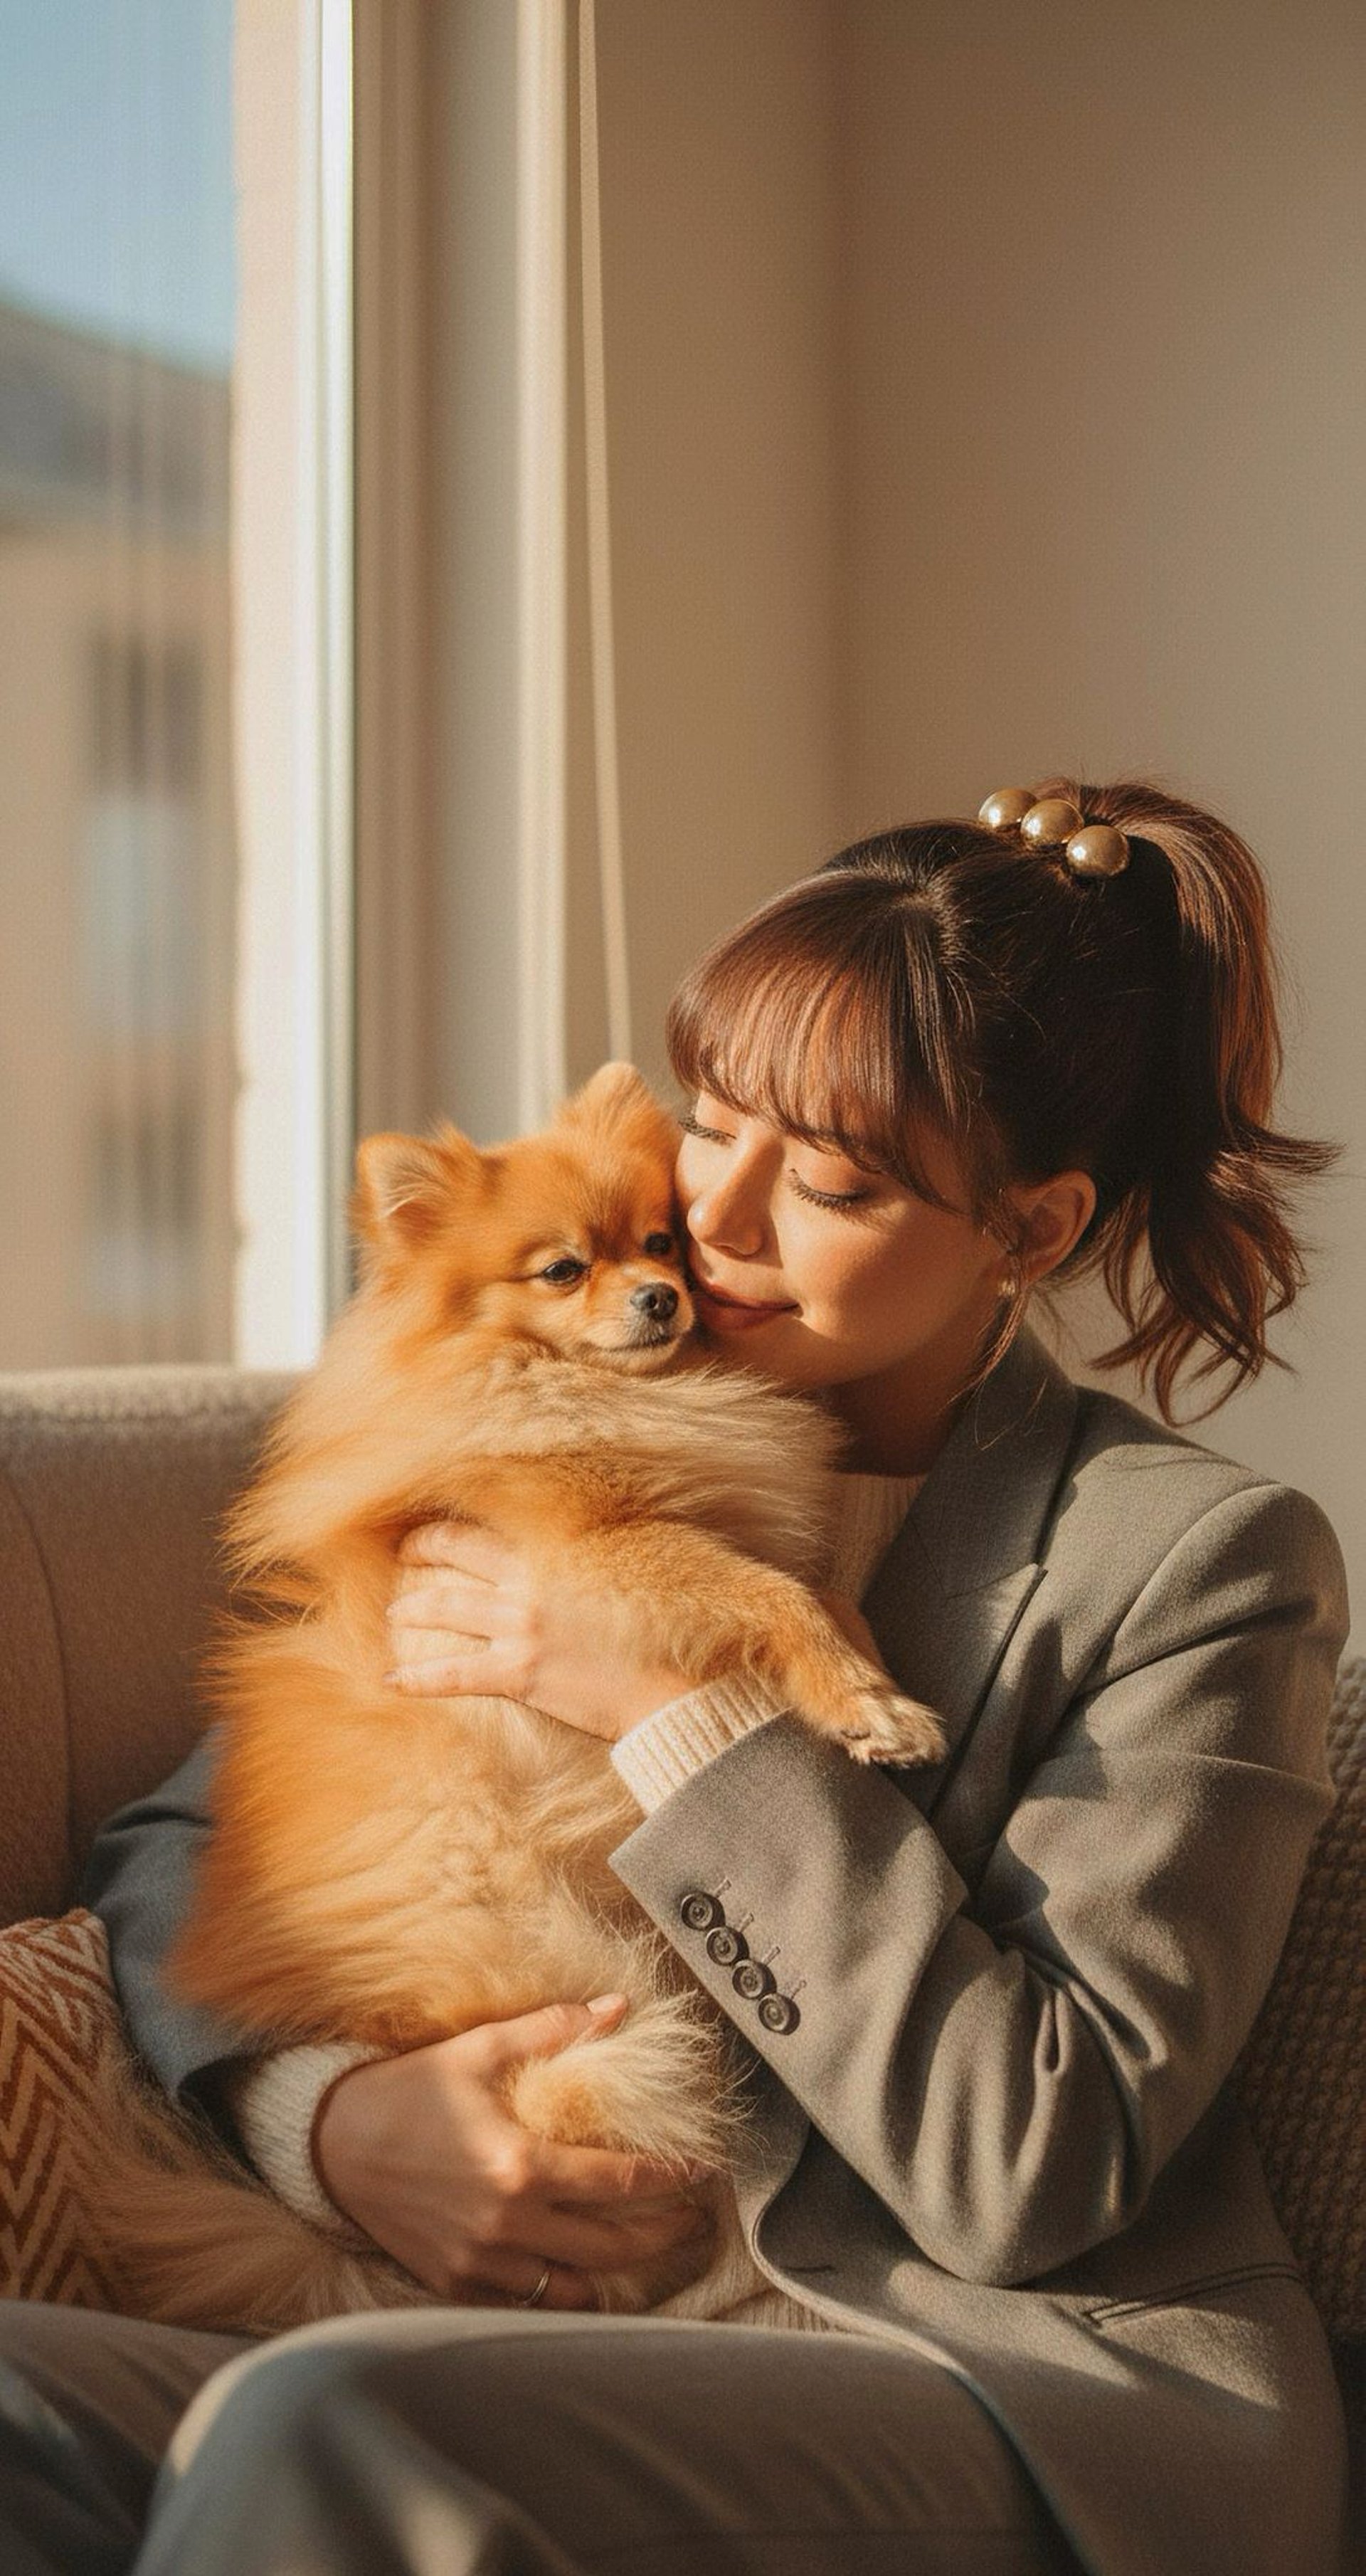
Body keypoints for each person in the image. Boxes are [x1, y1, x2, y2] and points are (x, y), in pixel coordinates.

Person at [0, 777, 1350, 2576]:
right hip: (541, 2304)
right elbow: (172, 1844)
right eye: (713, 1122)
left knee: (329, 2423)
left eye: (837, 1180)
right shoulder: (559, 1429)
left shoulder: (1201, 1565)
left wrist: (675, 1705)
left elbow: (1030, 2160)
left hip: (987, 2371)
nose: (714, 1211)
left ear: (1029, 1229)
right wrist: (332, 2122)